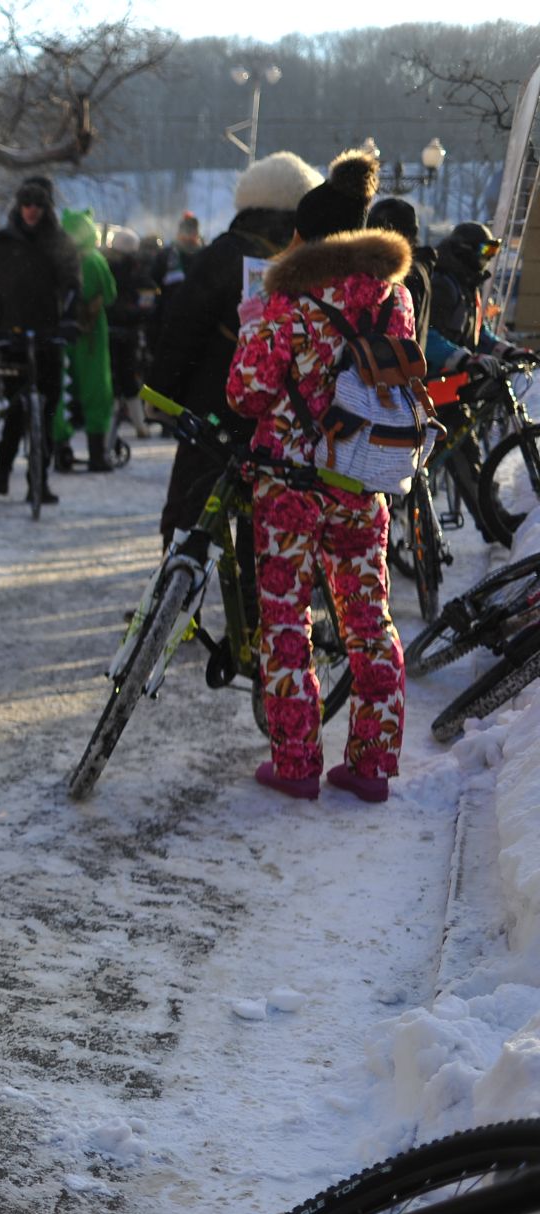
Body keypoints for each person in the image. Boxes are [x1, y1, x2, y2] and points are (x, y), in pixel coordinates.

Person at [227, 149, 409, 803]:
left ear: (306, 234)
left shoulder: (287, 299)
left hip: (289, 484)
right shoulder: (396, 298)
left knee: (285, 622)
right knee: (369, 620)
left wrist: (254, 334)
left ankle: (298, 763)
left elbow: (245, 393)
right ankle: (373, 763)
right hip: (363, 479)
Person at [152, 151, 320, 546]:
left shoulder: (221, 255)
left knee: (189, 515)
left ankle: (175, 601)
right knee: (263, 532)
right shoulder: (310, 261)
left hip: (212, 409)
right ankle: (253, 602)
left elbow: (181, 329)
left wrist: (162, 393)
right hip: (282, 419)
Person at [0, 176, 81, 504]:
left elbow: (72, 285)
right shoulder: (0, 242)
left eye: (38, 205)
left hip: (48, 334)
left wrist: (69, 321)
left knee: (49, 408)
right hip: (8, 334)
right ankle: (2, 468)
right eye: (26, 204)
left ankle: (38, 482)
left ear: (46, 208)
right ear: (18, 206)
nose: (32, 211)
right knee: (14, 406)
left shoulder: (58, 241)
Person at [49, 208, 117, 473]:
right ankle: (97, 454)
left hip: (61, 331)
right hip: (92, 337)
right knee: (96, 390)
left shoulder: (57, 260)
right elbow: (110, 294)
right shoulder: (95, 261)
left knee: (61, 390)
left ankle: (61, 451)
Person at [429, 222, 535, 372]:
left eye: (493, 250)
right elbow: (426, 335)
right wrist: (462, 359)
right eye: (486, 250)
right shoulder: (441, 285)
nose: (489, 257)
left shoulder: (466, 284)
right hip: (430, 382)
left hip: (454, 381)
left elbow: (476, 332)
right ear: (465, 250)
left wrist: (506, 351)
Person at [104, 226, 157, 437]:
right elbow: (149, 299)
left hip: (106, 329)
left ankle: (108, 425)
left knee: (109, 377)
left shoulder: (104, 266)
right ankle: (139, 424)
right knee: (129, 377)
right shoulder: (137, 269)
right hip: (129, 331)